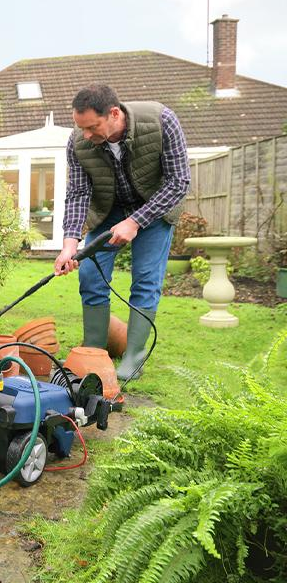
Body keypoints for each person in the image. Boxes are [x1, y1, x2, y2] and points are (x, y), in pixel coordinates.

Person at [54, 84, 190, 380]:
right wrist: (69, 243)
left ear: (114, 114)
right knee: (90, 275)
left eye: (92, 127)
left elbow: (179, 182)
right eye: (81, 128)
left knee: (145, 280)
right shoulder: (78, 141)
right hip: (109, 210)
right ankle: (93, 350)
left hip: (154, 208)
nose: (86, 135)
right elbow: (78, 192)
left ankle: (133, 358)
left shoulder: (161, 121)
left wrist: (136, 220)